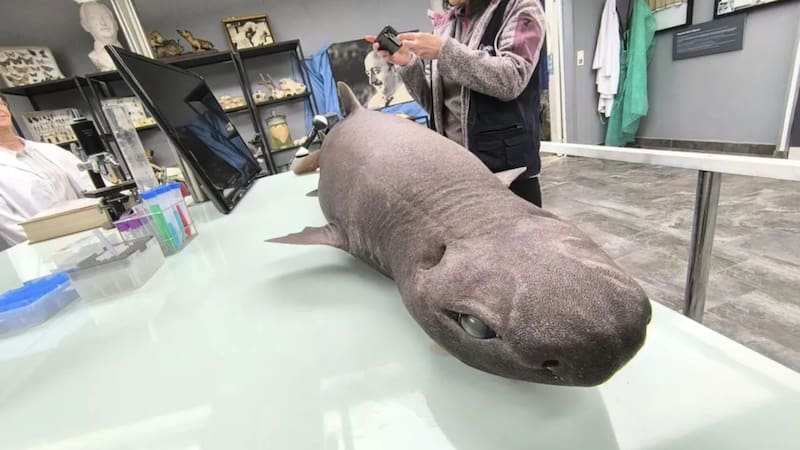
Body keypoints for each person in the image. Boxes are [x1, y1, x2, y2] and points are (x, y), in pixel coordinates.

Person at [366, 0, 546, 207]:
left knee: (520, 238)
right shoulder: (447, 24)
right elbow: (435, 105)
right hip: (456, 174)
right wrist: (407, 63)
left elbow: (512, 80)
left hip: (508, 174)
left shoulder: (522, 8)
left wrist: (444, 52)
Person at [0, 95, 93, 250]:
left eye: (1, 104)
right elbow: (8, 224)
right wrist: (58, 245)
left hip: (92, 233)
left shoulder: (49, 150)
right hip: (47, 251)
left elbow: (90, 183)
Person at [80, 1, 123, 72]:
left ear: (115, 24)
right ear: (85, 26)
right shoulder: (94, 56)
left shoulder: (133, 49)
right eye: (94, 18)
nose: (102, 22)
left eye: (106, 16)